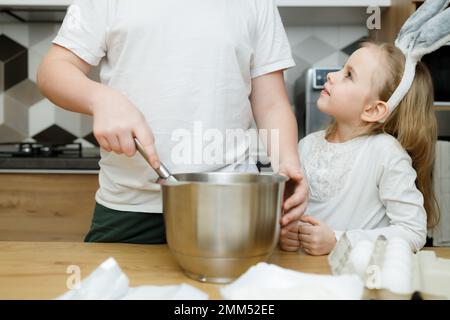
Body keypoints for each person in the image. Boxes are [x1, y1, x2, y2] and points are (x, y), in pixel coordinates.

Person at [37, 0, 308, 244]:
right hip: (129, 207)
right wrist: (100, 99)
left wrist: (287, 163)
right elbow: (54, 70)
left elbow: (272, 105)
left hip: (229, 206)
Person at [280, 41, 439, 255]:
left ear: (373, 110)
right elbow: (293, 216)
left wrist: (338, 241)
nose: (331, 76)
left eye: (348, 75)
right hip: (309, 277)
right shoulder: (306, 146)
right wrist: (288, 233)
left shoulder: (385, 153)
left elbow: (412, 232)